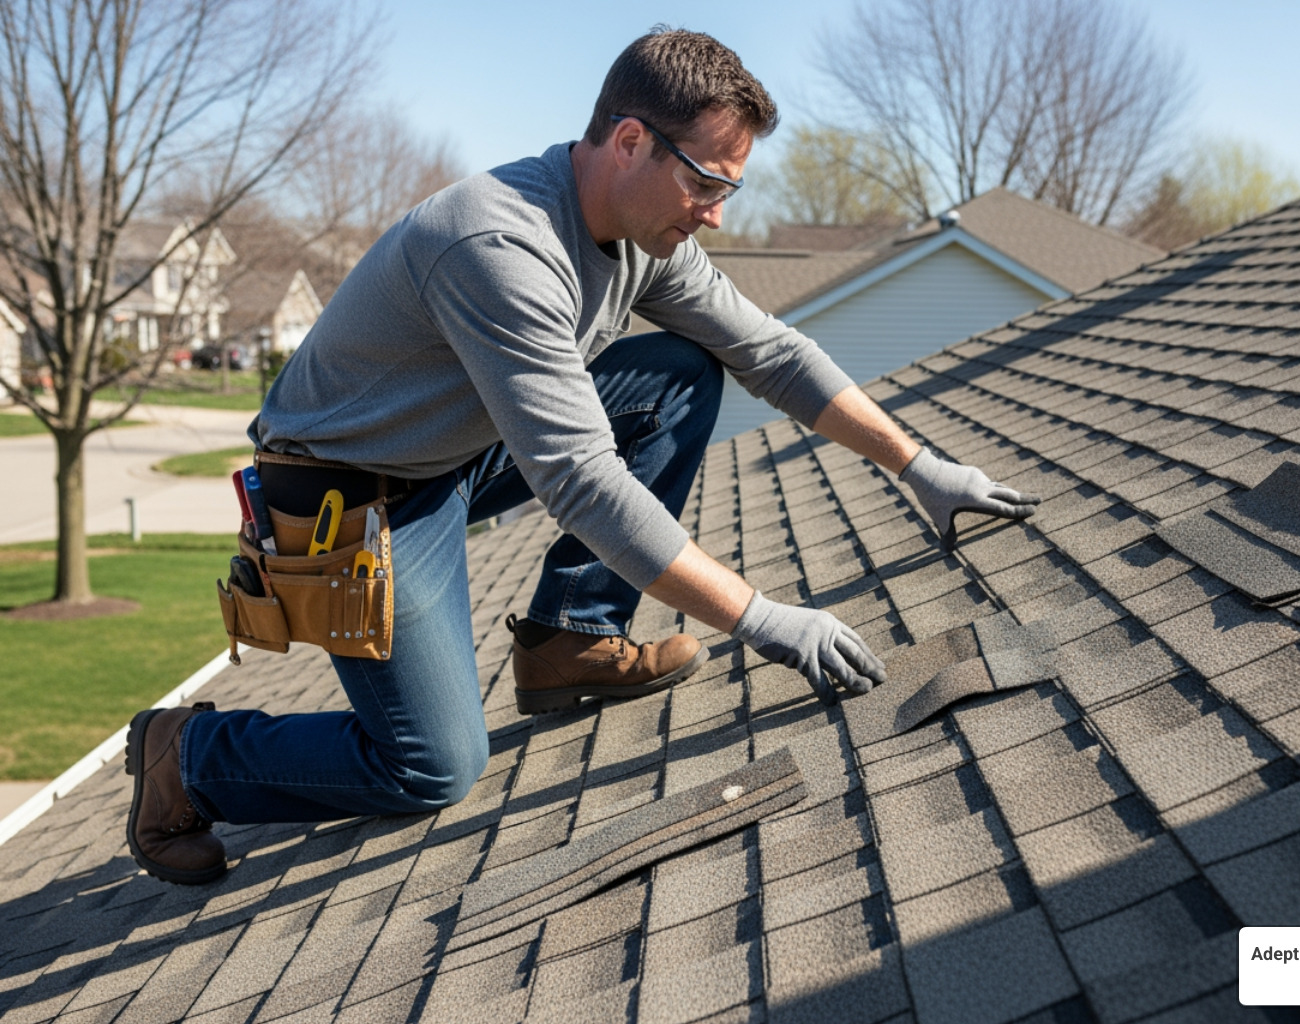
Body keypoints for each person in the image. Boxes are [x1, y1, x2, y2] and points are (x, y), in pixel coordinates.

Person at [123, 28, 1039, 885]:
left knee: (679, 372)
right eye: (708, 183)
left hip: (457, 446)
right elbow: (583, 484)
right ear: (631, 142)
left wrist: (920, 468)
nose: (716, 214)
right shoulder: (497, 244)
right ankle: (190, 758)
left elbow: (771, 351)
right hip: (348, 498)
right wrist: (763, 620)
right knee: (431, 766)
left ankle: (571, 639)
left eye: (731, 189)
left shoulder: (647, 235)